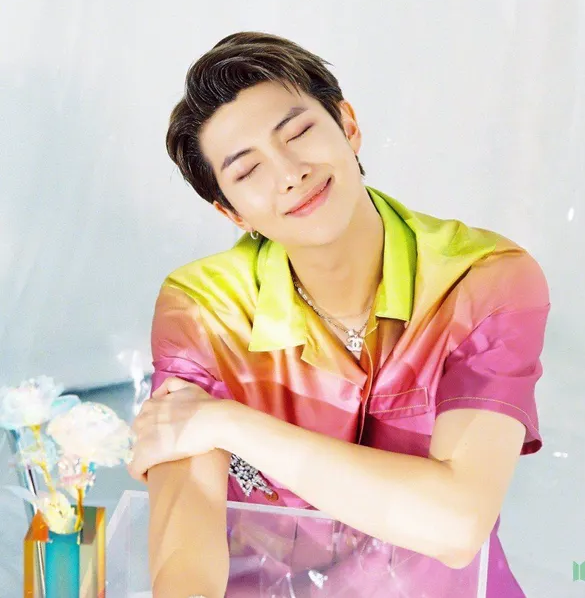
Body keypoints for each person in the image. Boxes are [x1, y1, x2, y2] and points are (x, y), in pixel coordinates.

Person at [127, 31, 551, 598]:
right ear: (231, 213)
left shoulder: (484, 277)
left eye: (298, 133)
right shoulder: (203, 306)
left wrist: (226, 422)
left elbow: (456, 525)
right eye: (247, 171)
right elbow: (186, 536)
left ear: (348, 125)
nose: (289, 173)